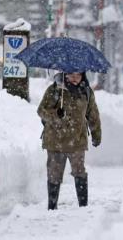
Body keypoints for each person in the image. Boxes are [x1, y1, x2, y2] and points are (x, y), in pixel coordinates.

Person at [37, 71, 101, 210]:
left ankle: (83, 206)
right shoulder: (54, 90)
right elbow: (41, 110)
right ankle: (52, 207)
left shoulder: (86, 92)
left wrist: (96, 134)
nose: (74, 78)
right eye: (71, 75)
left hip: (77, 140)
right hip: (55, 141)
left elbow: (93, 114)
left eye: (77, 75)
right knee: (54, 174)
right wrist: (55, 115)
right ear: (65, 75)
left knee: (80, 172)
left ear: (82, 76)